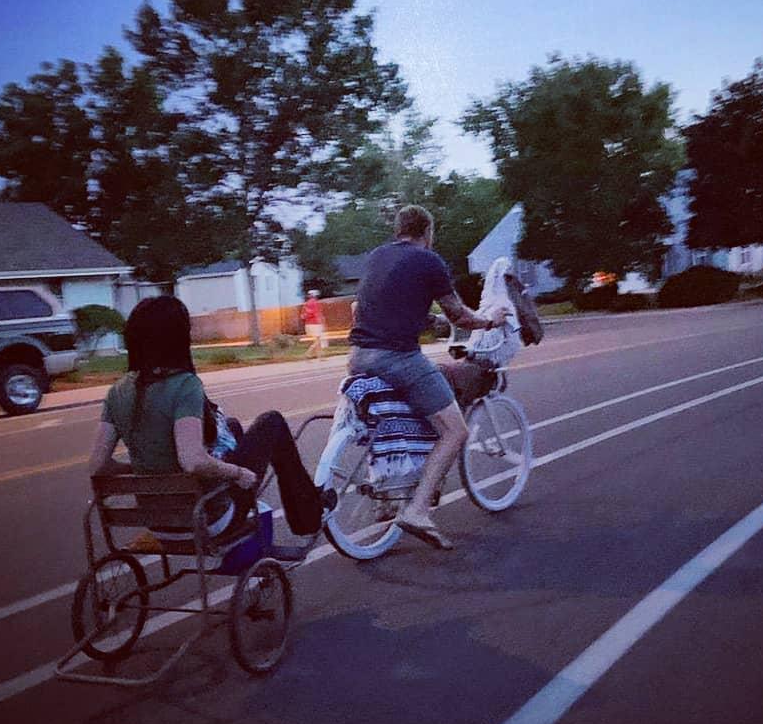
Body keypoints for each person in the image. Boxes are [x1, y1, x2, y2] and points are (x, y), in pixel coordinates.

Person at [88, 295, 330, 538]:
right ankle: (308, 517)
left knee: (231, 426)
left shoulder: (117, 391)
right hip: (206, 518)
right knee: (272, 422)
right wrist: (238, 473)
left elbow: (98, 465)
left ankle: (301, 513)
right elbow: (192, 460)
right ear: (177, 338)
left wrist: (148, 469)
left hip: (157, 524)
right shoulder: (184, 385)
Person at [348, 204, 508, 550]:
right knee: (455, 430)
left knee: (398, 414)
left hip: (358, 357)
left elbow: (369, 308)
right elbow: (460, 315)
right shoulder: (429, 261)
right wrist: (490, 320)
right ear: (428, 232)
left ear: (398, 231)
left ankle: (389, 492)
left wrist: (429, 322)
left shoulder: (377, 257)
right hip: (396, 358)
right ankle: (418, 510)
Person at [301, 289, 326, 359]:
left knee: (317, 340)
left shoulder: (306, 304)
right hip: (316, 323)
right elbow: (317, 314)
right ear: (315, 295)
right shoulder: (315, 303)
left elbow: (302, 316)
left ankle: (320, 356)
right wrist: (322, 323)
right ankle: (308, 353)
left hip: (308, 324)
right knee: (318, 340)